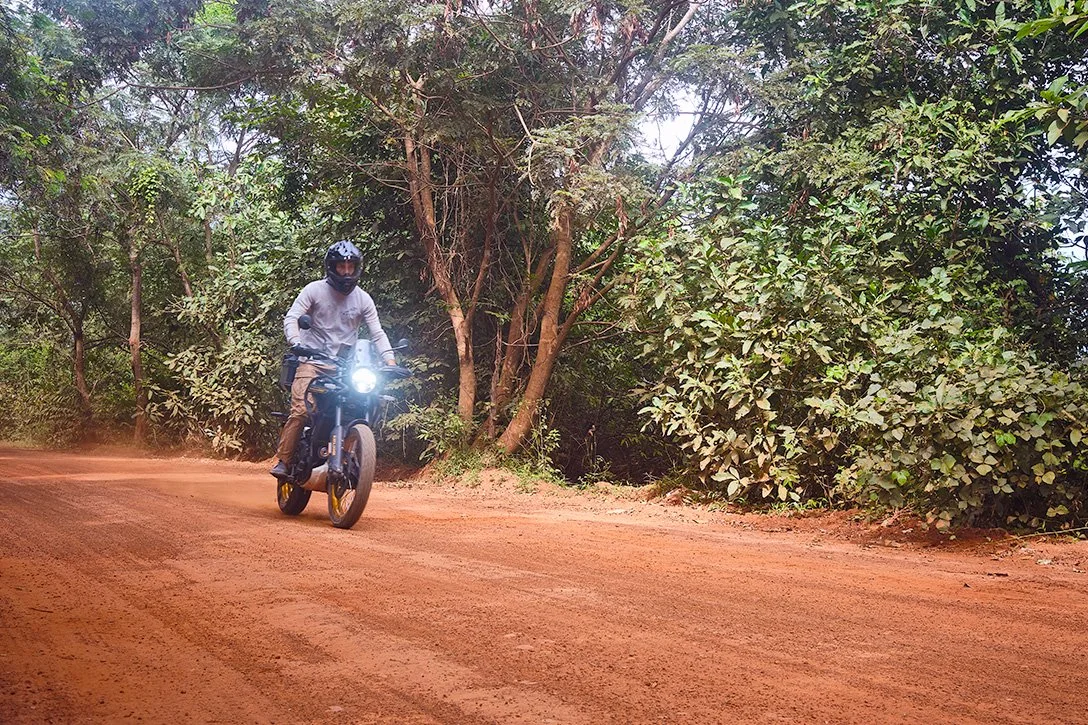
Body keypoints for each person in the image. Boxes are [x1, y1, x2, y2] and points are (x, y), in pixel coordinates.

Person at [270, 240, 396, 478]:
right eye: (341, 267)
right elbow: (292, 318)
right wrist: (296, 343)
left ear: (357, 268)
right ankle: (284, 461)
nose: (346, 272)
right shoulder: (314, 290)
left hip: (345, 367)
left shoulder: (363, 299)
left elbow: (377, 332)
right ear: (332, 267)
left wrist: (390, 362)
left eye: (351, 267)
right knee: (301, 410)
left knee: (368, 401)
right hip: (312, 362)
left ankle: (352, 451)